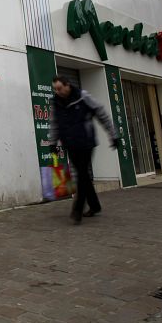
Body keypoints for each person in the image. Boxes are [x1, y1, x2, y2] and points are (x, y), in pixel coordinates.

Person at [49, 75, 120, 224]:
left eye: (60, 88)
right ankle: (94, 205)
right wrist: (53, 142)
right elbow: (54, 122)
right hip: (70, 144)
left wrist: (113, 135)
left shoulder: (83, 97)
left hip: (86, 142)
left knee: (81, 174)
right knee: (84, 175)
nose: (58, 91)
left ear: (67, 85)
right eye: (55, 89)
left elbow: (102, 114)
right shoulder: (56, 102)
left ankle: (77, 210)